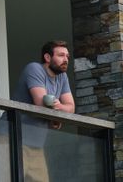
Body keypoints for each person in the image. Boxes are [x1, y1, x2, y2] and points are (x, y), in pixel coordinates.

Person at [11, 40, 75, 182]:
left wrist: (57, 110)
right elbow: (42, 103)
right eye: (61, 55)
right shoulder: (34, 69)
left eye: (67, 56)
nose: (66, 59)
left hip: (36, 145)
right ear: (47, 57)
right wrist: (55, 116)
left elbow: (71, 107)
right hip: (11, 139)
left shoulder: (62, 77)